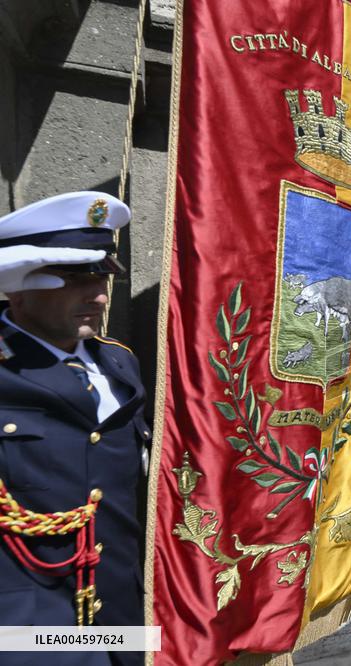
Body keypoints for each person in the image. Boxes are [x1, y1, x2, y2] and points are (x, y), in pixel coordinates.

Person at [0, 191, 149, 665]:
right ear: (16, 284)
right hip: (31, 631)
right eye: (72, 278)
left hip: (125, 620)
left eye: (103, 275)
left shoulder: (120, 363)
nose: (100, 294)